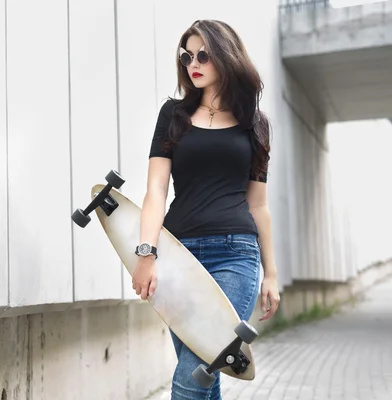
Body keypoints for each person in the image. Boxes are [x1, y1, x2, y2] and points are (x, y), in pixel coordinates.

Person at [131, 19, 281, 400]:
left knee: (192, 372)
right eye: (186, 56)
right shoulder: (173, 116)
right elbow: (155, 190)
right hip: (177, 257)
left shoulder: (255, 125)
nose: (192, 63)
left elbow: (258, 205)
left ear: (226, 57)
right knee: (204, 373)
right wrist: (146, 252)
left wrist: (272, 274)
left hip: (236, 256)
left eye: (202, 55)